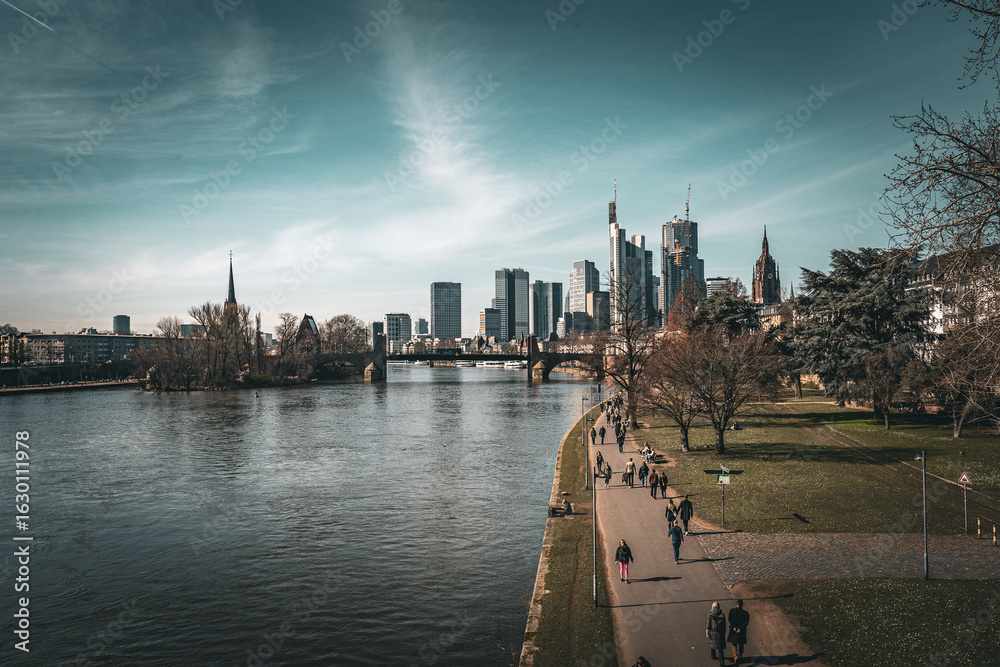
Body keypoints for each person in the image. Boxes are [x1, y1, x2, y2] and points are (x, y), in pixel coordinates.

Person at [728, 599, 750, 665]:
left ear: (737, 604)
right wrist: (740, 628)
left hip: (734, 630)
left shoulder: (732, 611)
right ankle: (740, 656)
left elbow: (730, 620)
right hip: (741, 631)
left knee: (734, 643)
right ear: (742, 605)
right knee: (741, 644)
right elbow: (746, 622)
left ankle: (735, 656)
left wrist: (734, 627)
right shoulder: (746, 613)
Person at [706, 601, 727, 666]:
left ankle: (713, 656)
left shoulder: (710, 614)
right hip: (720, 633)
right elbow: (724, 625)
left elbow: (708, 624)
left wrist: (707, 631)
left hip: (712, 632)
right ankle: (721, 662)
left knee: (712, 644)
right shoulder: (722, 615)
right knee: (720, 649)